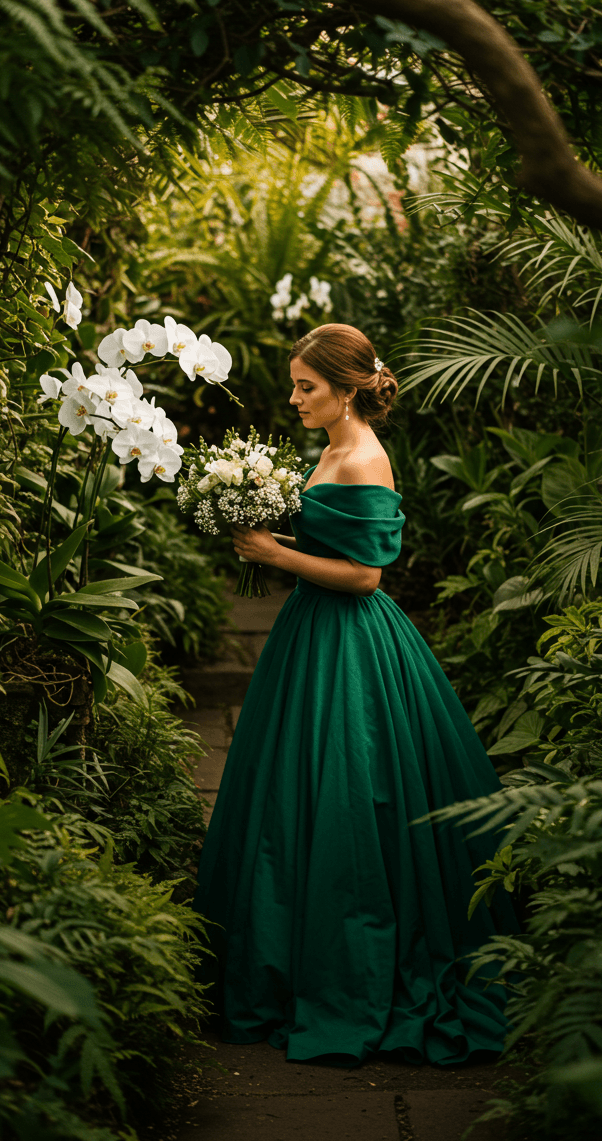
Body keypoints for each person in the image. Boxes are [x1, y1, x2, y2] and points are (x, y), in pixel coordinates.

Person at [193, 323, 517, 1066]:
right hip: (313, 633)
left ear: (347, 390)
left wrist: (276, 551)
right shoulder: (336, 445)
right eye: (296, 386)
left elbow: (368, 576)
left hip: (351, 640)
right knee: (292, 791)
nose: (296, 397)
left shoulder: (364, 457)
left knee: (350, 790)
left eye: (308, 386)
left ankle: (352, 971)